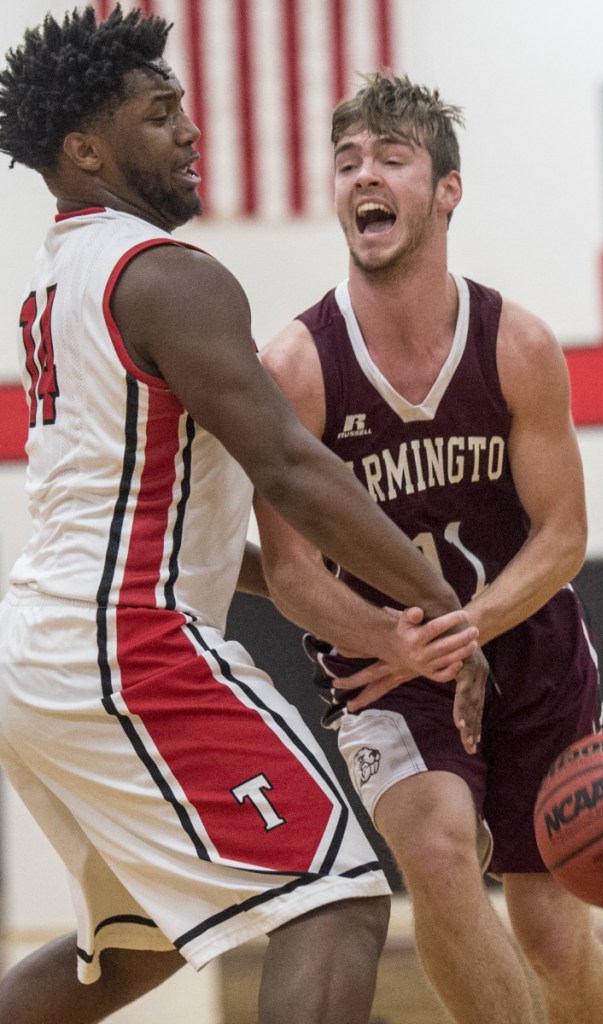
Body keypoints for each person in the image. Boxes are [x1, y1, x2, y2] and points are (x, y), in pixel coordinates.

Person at [0, 12, 487, 1024]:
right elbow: (289, 465)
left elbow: (191, 519)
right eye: (160, 114)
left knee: (129, 950)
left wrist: (359, 610)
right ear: (86, 150)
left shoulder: (58, 278)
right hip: (126, 646)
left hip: (50, 646)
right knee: (338, 893)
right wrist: (438, 599)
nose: (189, 131)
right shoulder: (167, 277)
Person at [254, 72, 603, 1023]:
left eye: (390, 158)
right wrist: (394, 641)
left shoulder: (517, 343)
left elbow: (564, 534)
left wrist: (466, 627)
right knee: (433, 852)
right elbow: (291, 572)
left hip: (525, 648)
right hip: (386, 662)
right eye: (346, 162)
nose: (362, 177)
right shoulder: (296, 369)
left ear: (446, 190)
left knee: (552, 935)